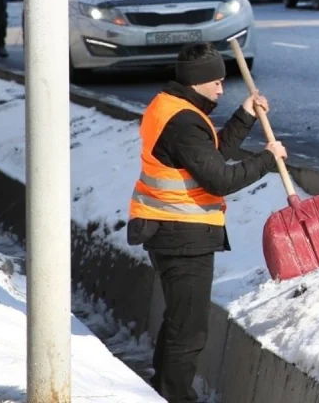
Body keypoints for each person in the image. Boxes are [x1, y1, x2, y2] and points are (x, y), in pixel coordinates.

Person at [126, 43, 287, 403]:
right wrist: (267, 159)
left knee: (179, 321)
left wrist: (245, 116)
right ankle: (176, 397)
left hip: (170, 229)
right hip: (181, 235)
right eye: (215, 82)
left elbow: (211, 157)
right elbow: (219, 180)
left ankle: (162, 393)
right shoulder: (183, 121)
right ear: (197, 82)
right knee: (189, 331)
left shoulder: (174, 107)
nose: (220, 89)